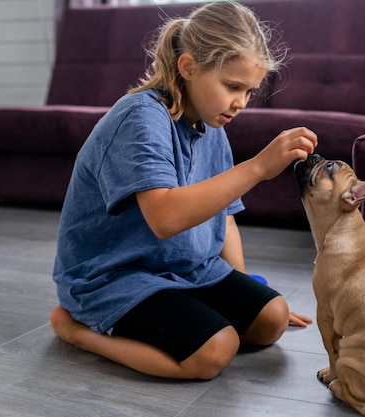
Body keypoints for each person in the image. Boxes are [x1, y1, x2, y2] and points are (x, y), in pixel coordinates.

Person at [49, 0, 317, 380]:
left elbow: (224, 218)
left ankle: (201, 313)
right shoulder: (140, 118)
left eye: (249, 91)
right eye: (232, 86)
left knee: (270, 320)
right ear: (188, 67)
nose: (240, 102)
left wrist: (239, 291)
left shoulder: (213, 125)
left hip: (185, 269)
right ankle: (76, 330)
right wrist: (257, 167)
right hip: (113, 276)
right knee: (213, 352)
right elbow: (165, 217)